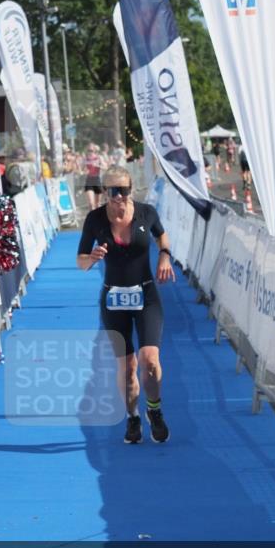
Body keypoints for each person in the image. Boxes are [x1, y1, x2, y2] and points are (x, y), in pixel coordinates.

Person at [76, 165, 174, 445]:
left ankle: (154, 411)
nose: (120, 196)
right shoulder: (95, 219)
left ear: (132, 189)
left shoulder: (146, 212)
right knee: (128, 367)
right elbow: (80, 262)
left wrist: (164, 255)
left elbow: (161, 235)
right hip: (113, 299)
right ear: (105, 192)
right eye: (114, 191)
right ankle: (132, 417)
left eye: (125, 190)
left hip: (146, 296)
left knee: (150, 362)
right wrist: (92, 257)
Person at [83, 143, 103, 210]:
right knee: (91, 204)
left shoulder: (99, 158)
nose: (90, 152)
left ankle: (98, 218)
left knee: (97, 204)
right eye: (89, 150)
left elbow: (106, 167)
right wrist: (83, 171)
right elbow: (81, 169)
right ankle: (92, 218)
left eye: (91, 150)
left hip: (97, 180)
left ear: (94, 150)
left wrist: (98, 165)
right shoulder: (85, 159)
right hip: (89, 180)